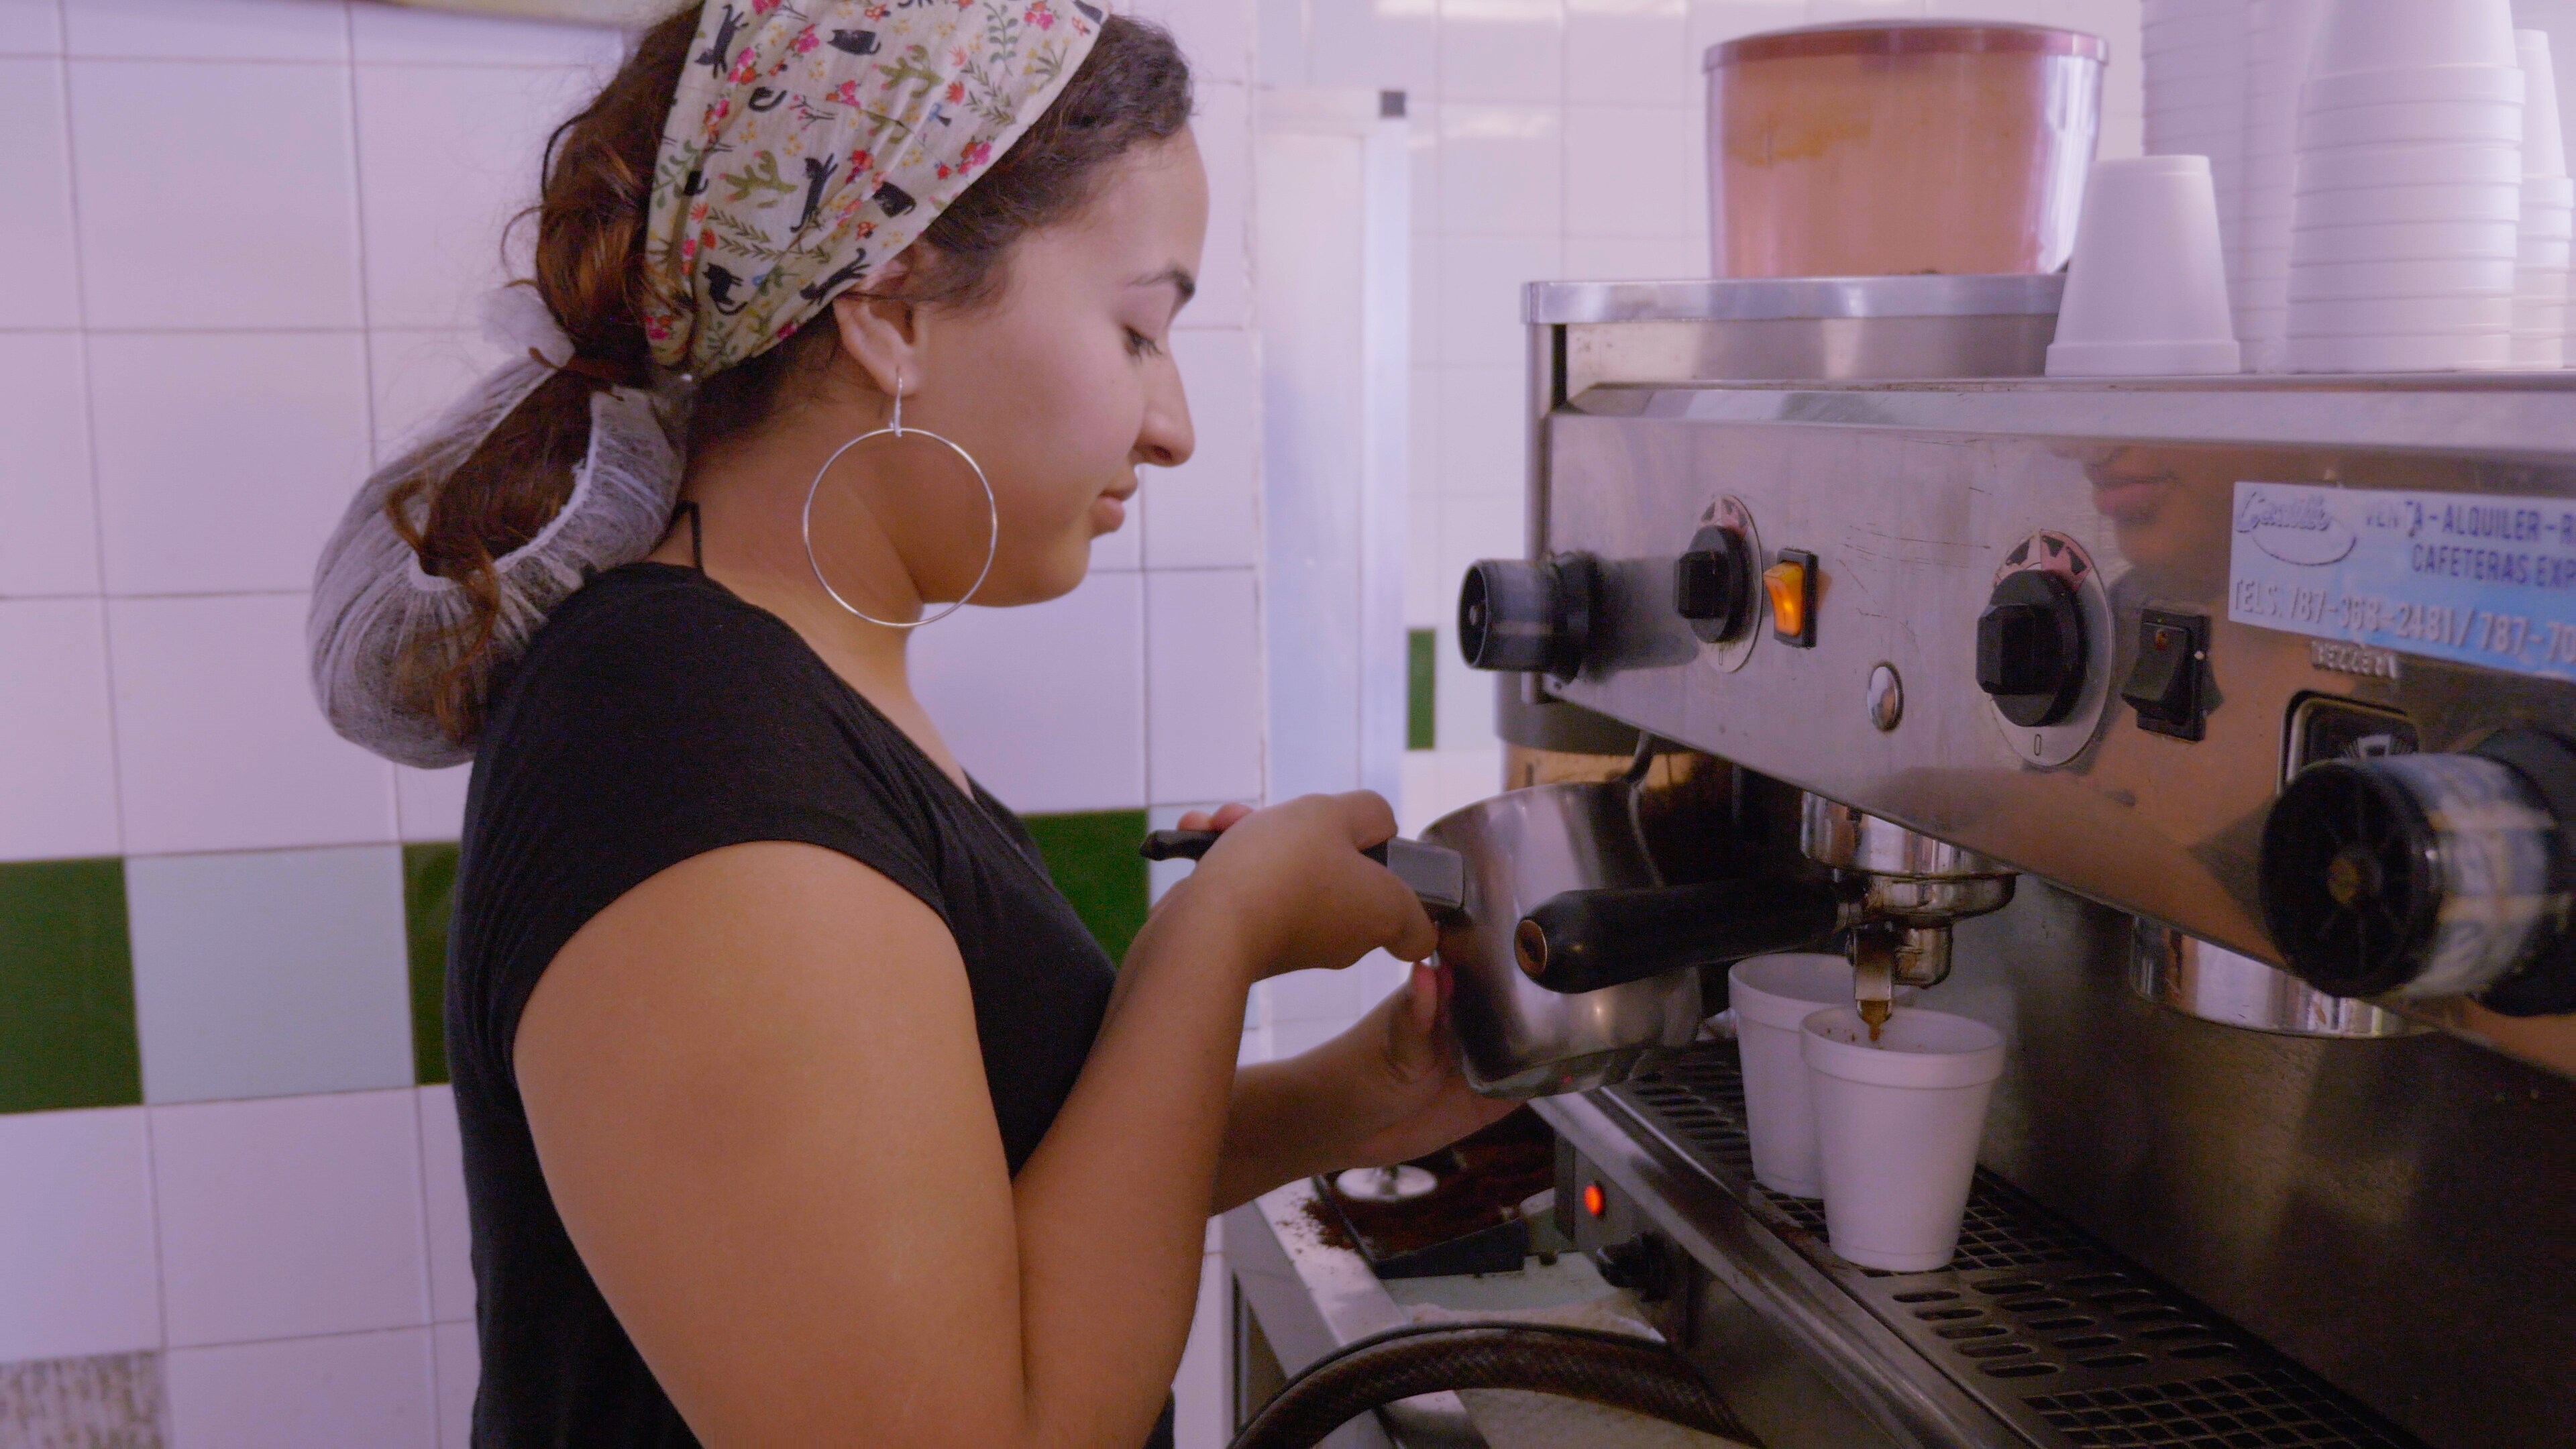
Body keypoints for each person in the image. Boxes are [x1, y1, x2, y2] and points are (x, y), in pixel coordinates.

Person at [306, 3, 1512, 1444]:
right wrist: (1220, 936)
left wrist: (1358, 1095)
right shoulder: (677, 744)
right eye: (1138, 328)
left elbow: (954, 1213)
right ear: (889, 309)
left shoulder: (773, 685)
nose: (1174, 422)